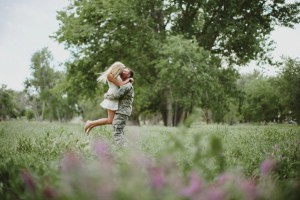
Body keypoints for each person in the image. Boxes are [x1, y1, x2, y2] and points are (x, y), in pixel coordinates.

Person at [84, 62, 133, 135]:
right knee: (110, 120)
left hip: (115, 97)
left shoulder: (116, 75)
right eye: (122, 70)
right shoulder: (110, 75)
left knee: (110, 120)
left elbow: (121, 84)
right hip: (112, 97)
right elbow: (121, 84)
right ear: (118, 68)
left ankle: (91, 125)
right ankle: (90, 122)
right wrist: (129, 80)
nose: (122, 72)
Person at [104, 68, 134, 145]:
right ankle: (125, 149)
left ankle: (123, 150)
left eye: (125, 71)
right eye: (123, 70)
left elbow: (117, 95)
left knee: (117, 132)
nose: (123, 72)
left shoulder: (126, 86)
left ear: (129, 75)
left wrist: (106, 96)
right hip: (123, 111)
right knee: (120, 131)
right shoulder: (126, 84)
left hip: (122, 111)